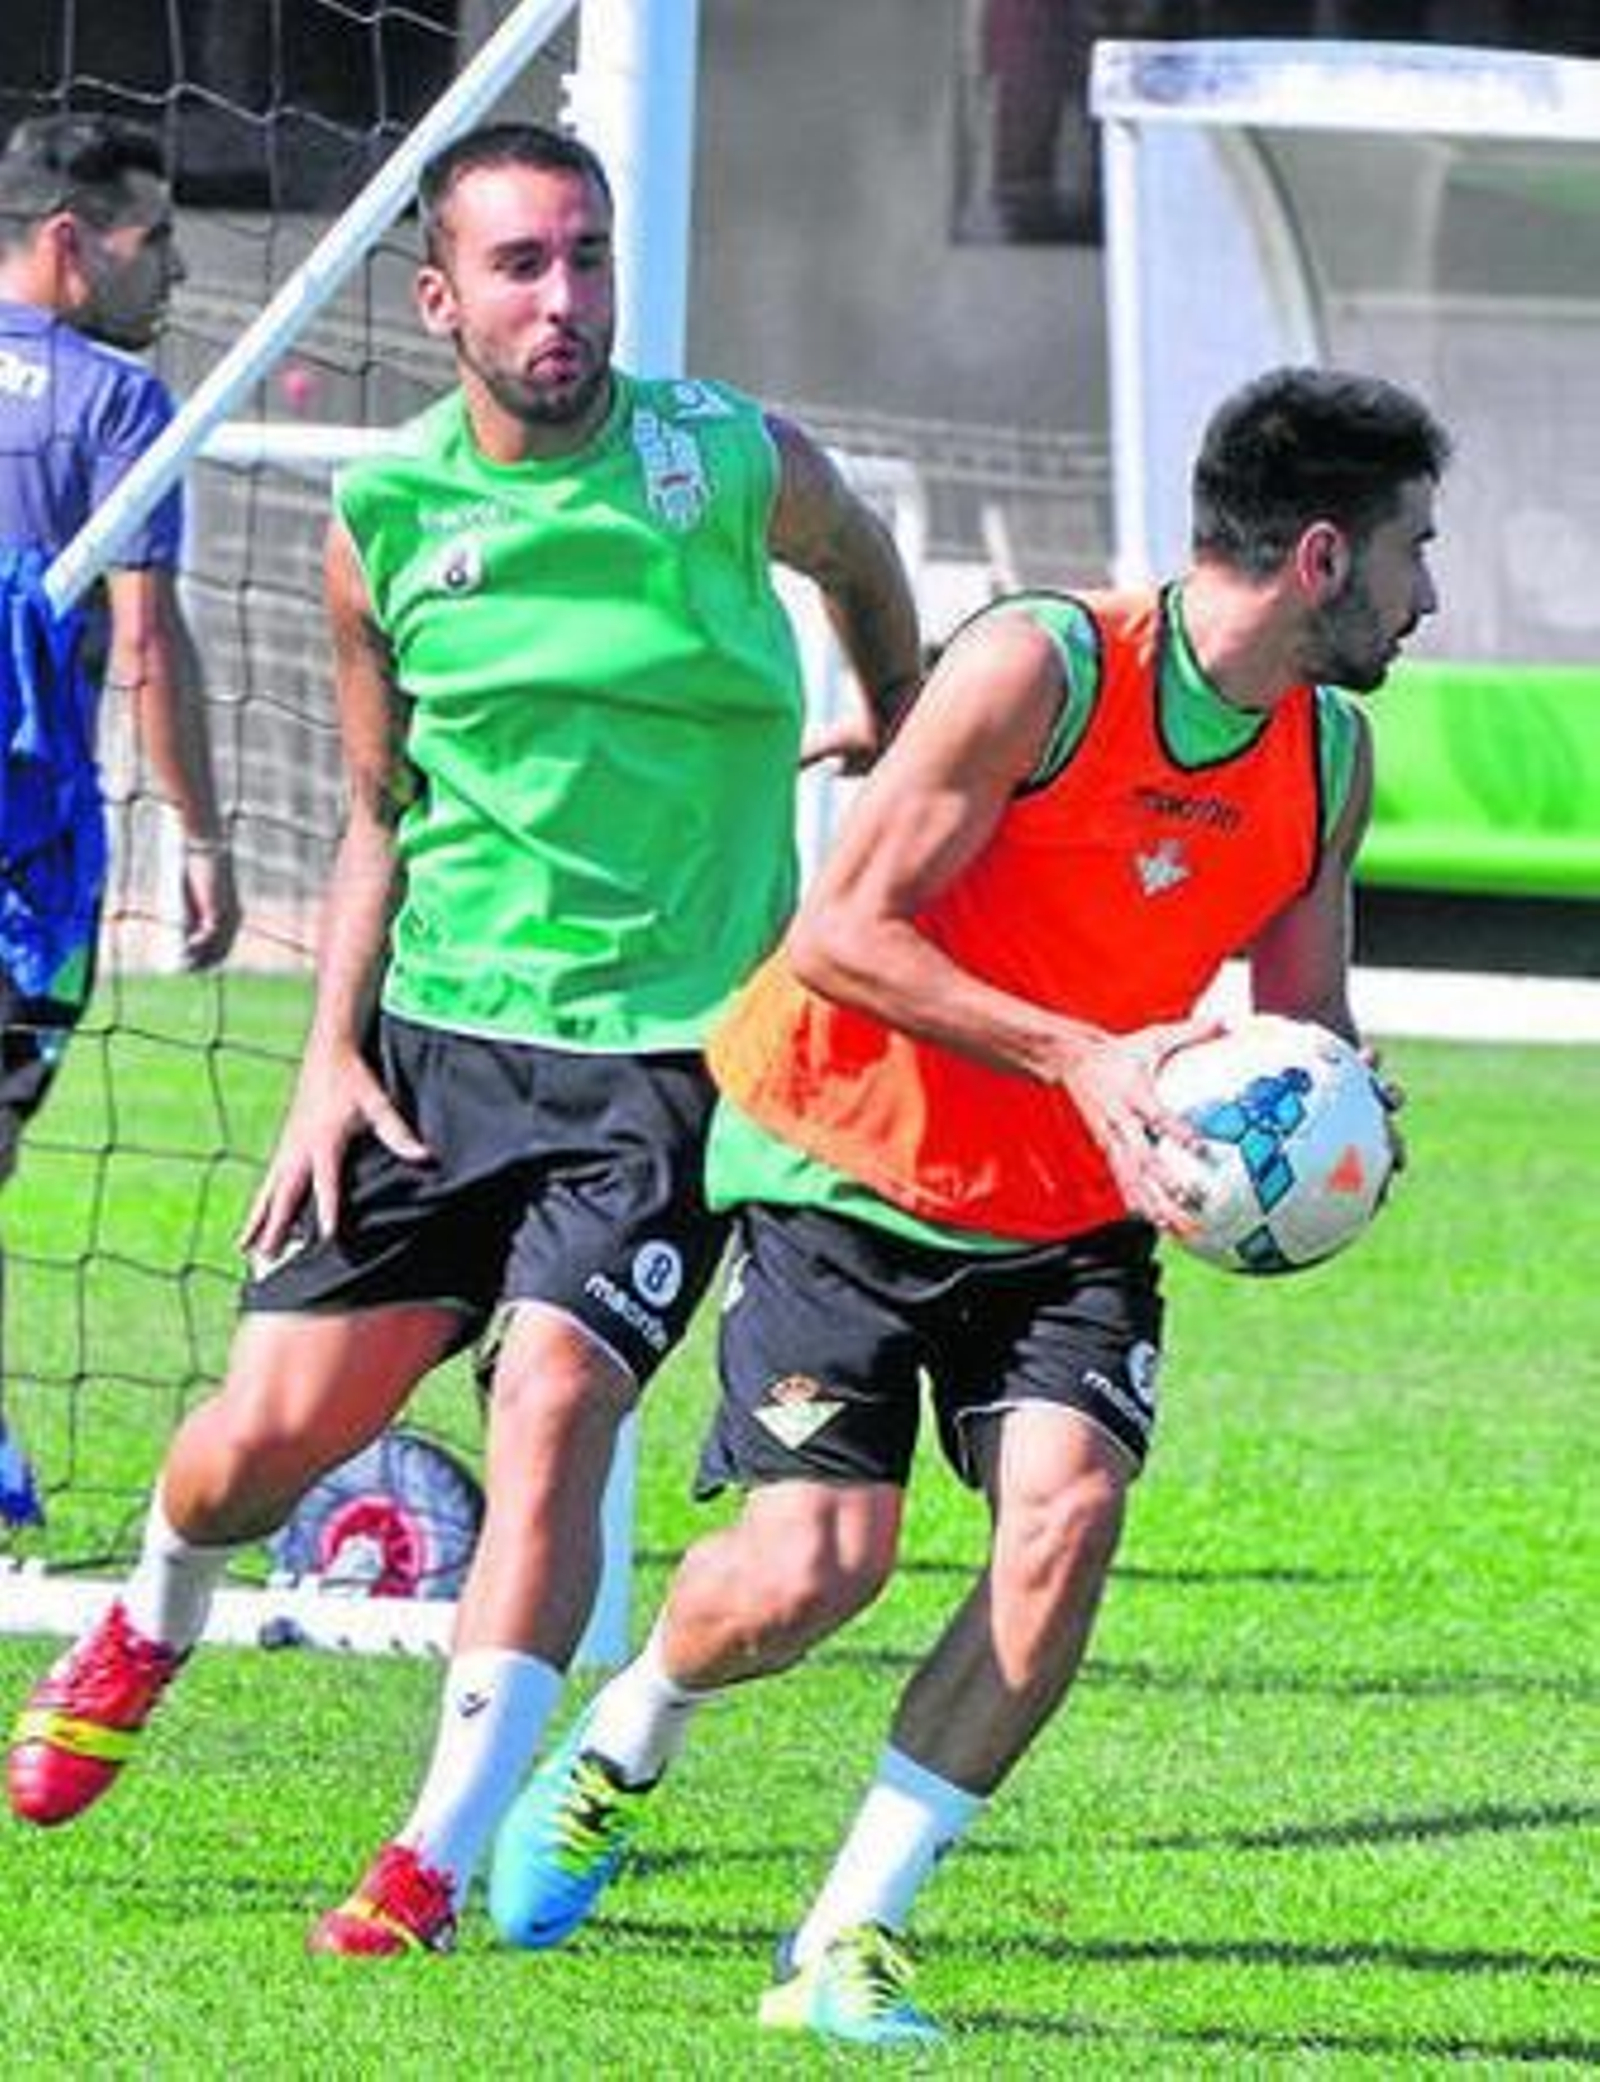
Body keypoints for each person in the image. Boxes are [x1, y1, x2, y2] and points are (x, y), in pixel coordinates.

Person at [5, 120, 921, 1955]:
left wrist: (899, 727)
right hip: (435, 1047)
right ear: (442, 301)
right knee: (252, 1448)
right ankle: (153, 1609)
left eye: (585, 257)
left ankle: (431, 1851)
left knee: (557, 1401)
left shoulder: (722, 460)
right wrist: (325, 1054)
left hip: (672, 1065)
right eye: (521, 265)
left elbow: (868, 562)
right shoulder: (389, 519)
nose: (564, 297)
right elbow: (378, 811)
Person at [487, 366, 1447, 2042]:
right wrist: (1080, 1051)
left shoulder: (1330, 756)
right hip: (847, 1161)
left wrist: (1338, 1129)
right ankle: (628, 1730)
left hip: (1072, 1208)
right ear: (1318, 555)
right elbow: (845, 928)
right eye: (1414, 552)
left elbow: (1301, 1014)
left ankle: (847, 1936)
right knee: (811, 1568)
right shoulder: (1043, 668)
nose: (1426, 597)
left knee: (1064, 1521)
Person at [0, 115, 239, 1525]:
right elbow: (145, 645)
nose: (178, 274)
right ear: (71, 243)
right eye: (156, 242)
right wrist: (202, 841)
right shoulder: (115, 405)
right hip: (26, 863)